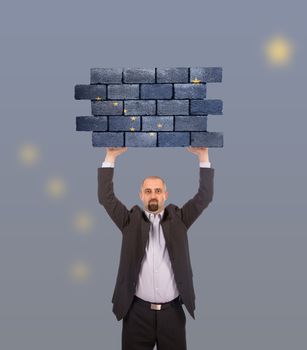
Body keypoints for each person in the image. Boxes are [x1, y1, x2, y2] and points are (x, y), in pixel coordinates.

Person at [98, 146, 214, 350]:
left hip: (173, 315)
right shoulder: (129, 221)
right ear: (141, 195)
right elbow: (105, 198)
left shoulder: (180, 219)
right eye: (148, 191)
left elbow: (204, 197)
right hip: (136, 314)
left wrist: (203, 157)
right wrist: (111, 156)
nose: (153, 195)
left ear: (165, 195)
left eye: (158, 191)